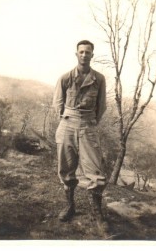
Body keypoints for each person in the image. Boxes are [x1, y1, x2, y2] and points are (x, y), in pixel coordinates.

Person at [53, 40, 109, 234]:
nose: (84, 55)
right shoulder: (65, 78)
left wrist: (88, 122)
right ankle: (69, 206)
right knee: (66, 168)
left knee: (95, 171)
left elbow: (101, 107)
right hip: (67, 123)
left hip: (88, 125)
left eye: (88, 52)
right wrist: (68, 121)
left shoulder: (99, 79)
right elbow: (57, 105)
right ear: (76, 54)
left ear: (92, 55)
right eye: (81, 52)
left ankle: (96, 213)